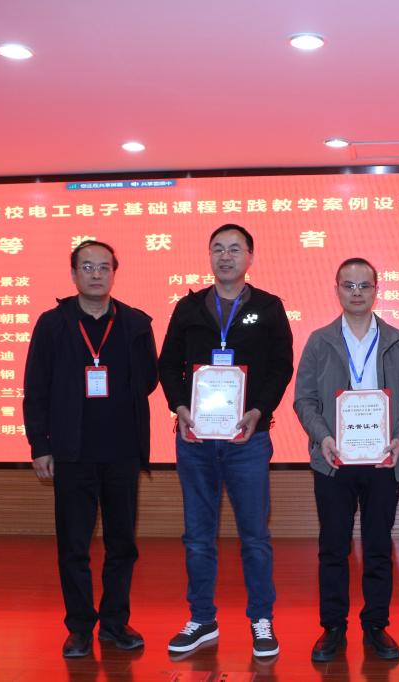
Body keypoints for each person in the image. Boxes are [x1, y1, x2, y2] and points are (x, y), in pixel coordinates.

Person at [158, 223, 294, 657]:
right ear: (209, 256)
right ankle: (202, 619)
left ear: (250, 256)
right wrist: (180, 407)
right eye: (218, 248)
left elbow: (282, 367)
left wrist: (259, 411)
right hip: (195, 440)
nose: (226, 256)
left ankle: (261, 620)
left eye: (235, 249)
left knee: (254, 536)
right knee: (198, 537)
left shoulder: (269, 307)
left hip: (247, 441)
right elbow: (167, 366)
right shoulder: (189, 307)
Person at [23, 239, 158, 658]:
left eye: (103, 267)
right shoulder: (53, 324)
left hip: (122, 451)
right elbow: (35, 388)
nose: (96, 274)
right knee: (74, 546)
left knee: (122, 544)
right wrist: (40, 445)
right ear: (73, 274)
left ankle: (115, 623)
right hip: (71, 452)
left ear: (114, 273)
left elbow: (149, 380)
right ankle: (79, 627)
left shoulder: (136, 323)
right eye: (87, 267)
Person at [293, 258, 399, 662]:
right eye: (348, 285)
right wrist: (323, 437)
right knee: (333, 546)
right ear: (336, 289)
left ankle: (376, 625)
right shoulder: (319, 341)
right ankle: (333, 626)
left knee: (378, 546)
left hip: (384, 460)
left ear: (376, 290)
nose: (356, 293)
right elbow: (304, 399)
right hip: (333, 460)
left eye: (364, 285)